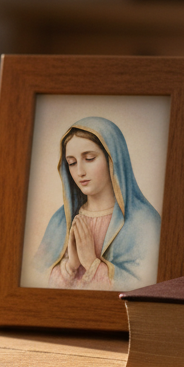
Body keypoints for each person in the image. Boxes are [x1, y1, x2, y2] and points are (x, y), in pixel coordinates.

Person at [31, 116, 161, 291]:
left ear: (112, 159)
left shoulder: (145, 222)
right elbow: (34, 282)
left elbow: (149, 287)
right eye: (72, 163)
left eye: (90, 158)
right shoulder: (60, 220)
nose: (80, 172)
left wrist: (92, 264)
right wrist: (70, 267)